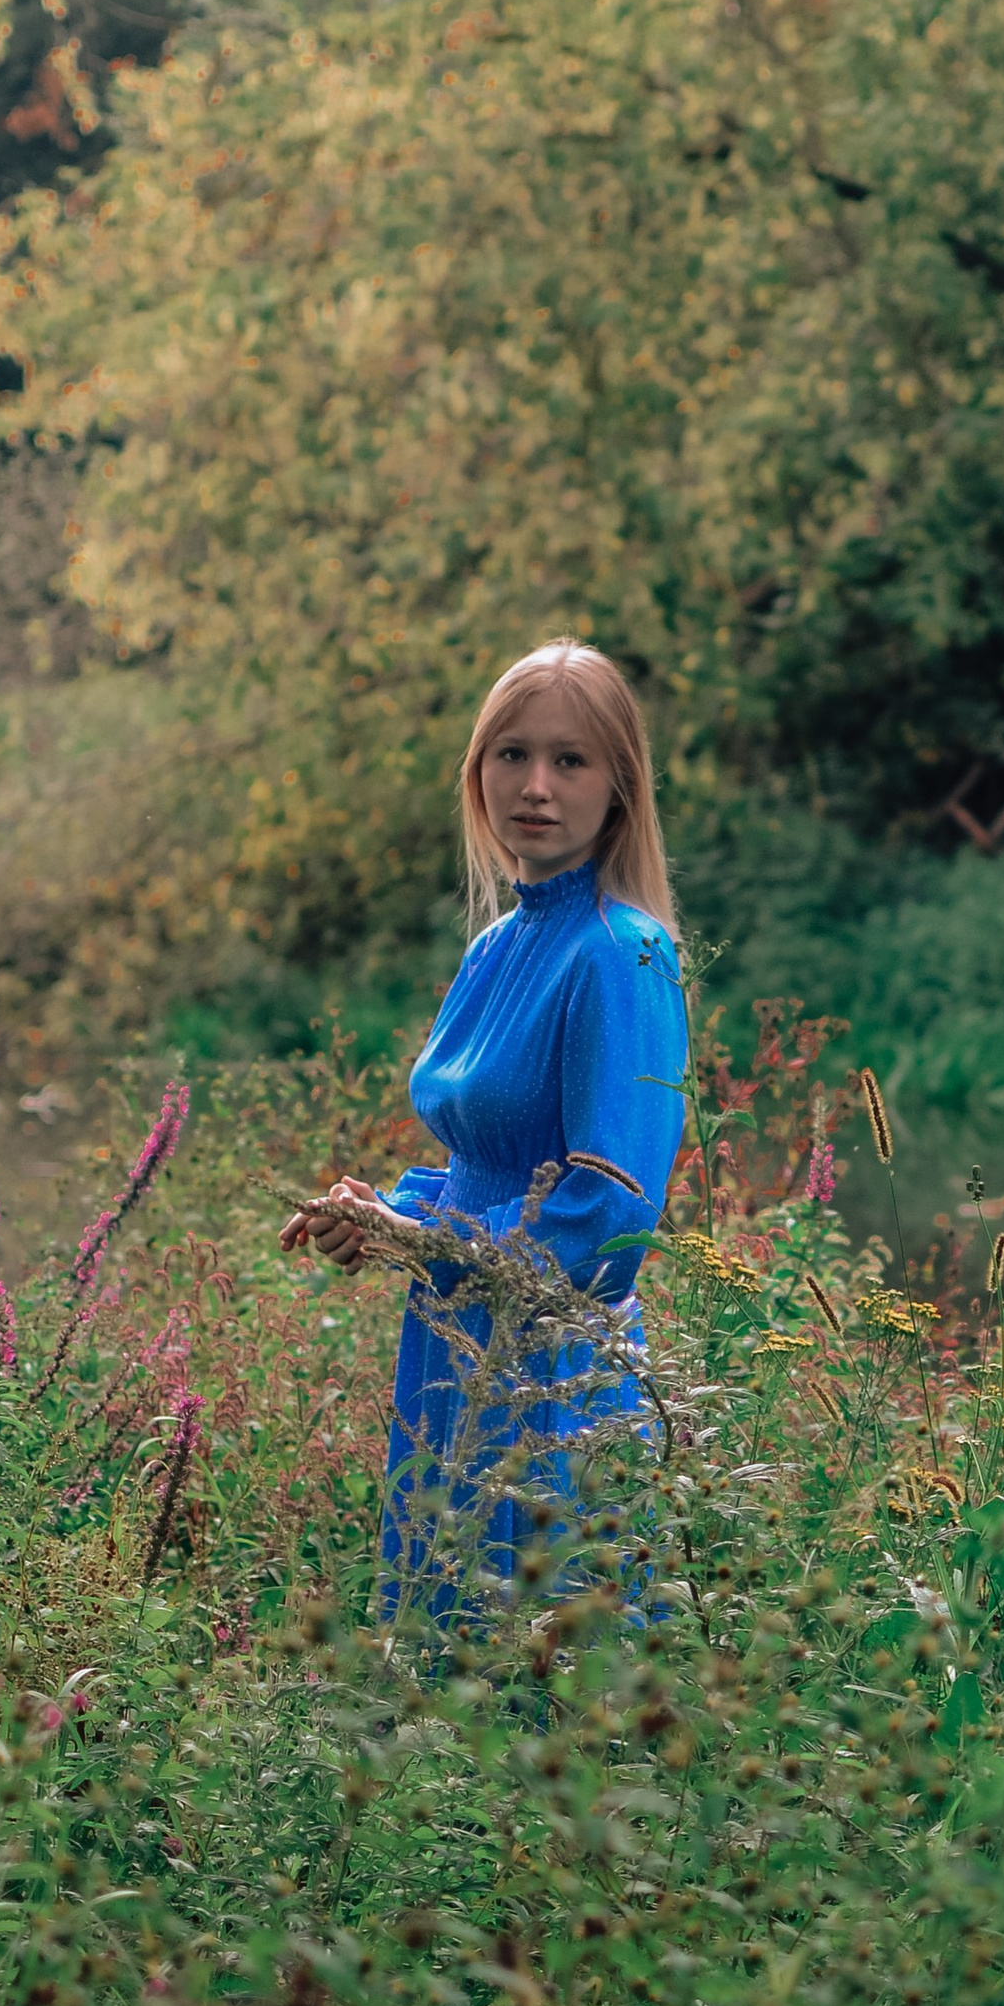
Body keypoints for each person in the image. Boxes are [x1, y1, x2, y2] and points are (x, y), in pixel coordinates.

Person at [281, 641, 688, 1615]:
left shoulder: (621, 956)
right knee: (444, 1676)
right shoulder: (496, 946)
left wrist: (437, 1245)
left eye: (570, 760)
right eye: (510, 755)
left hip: (547, 1369)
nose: (535, 786)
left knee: (544, 1686)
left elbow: (606, 1226)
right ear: (476, 772)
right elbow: (482, 1166)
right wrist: (386, 1217)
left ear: (619, 785)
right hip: (453, 1342)